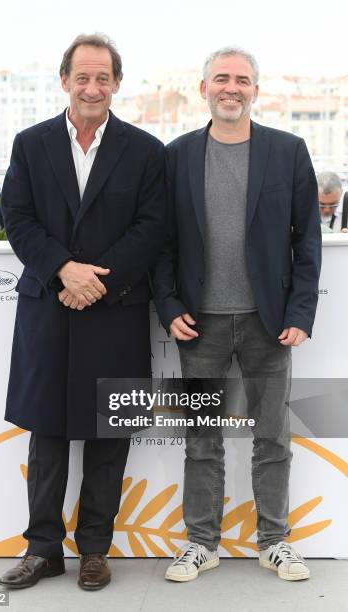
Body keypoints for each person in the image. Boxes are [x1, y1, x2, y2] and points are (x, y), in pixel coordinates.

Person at [0, 33, 165, 591]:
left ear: (117, 82)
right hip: (48, 305)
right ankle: (42, 548)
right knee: (45, 434)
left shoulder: (146, 151)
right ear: (64, 80)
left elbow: (151, 229)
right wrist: (63, 270)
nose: (92, 87)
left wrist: (94, 281)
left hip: (114, 307)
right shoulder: (29, 143)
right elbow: (16, 219)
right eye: (82, 76)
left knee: (108, 435)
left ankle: (95, 548)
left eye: (103, 77)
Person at [153, 46, 321, 583]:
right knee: (203, 439)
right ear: (204, 88)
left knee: (273, 436)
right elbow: (163, 243)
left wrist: (300, 310)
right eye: (221, 78)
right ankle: (201, 543)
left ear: (255, 89)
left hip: (267, 323)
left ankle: (275, 541)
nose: (232, 87)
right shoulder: (175, 155)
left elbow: (307, 242)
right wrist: (170, 304)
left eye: (242, 80)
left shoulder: (288, 152)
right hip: (199, 322)